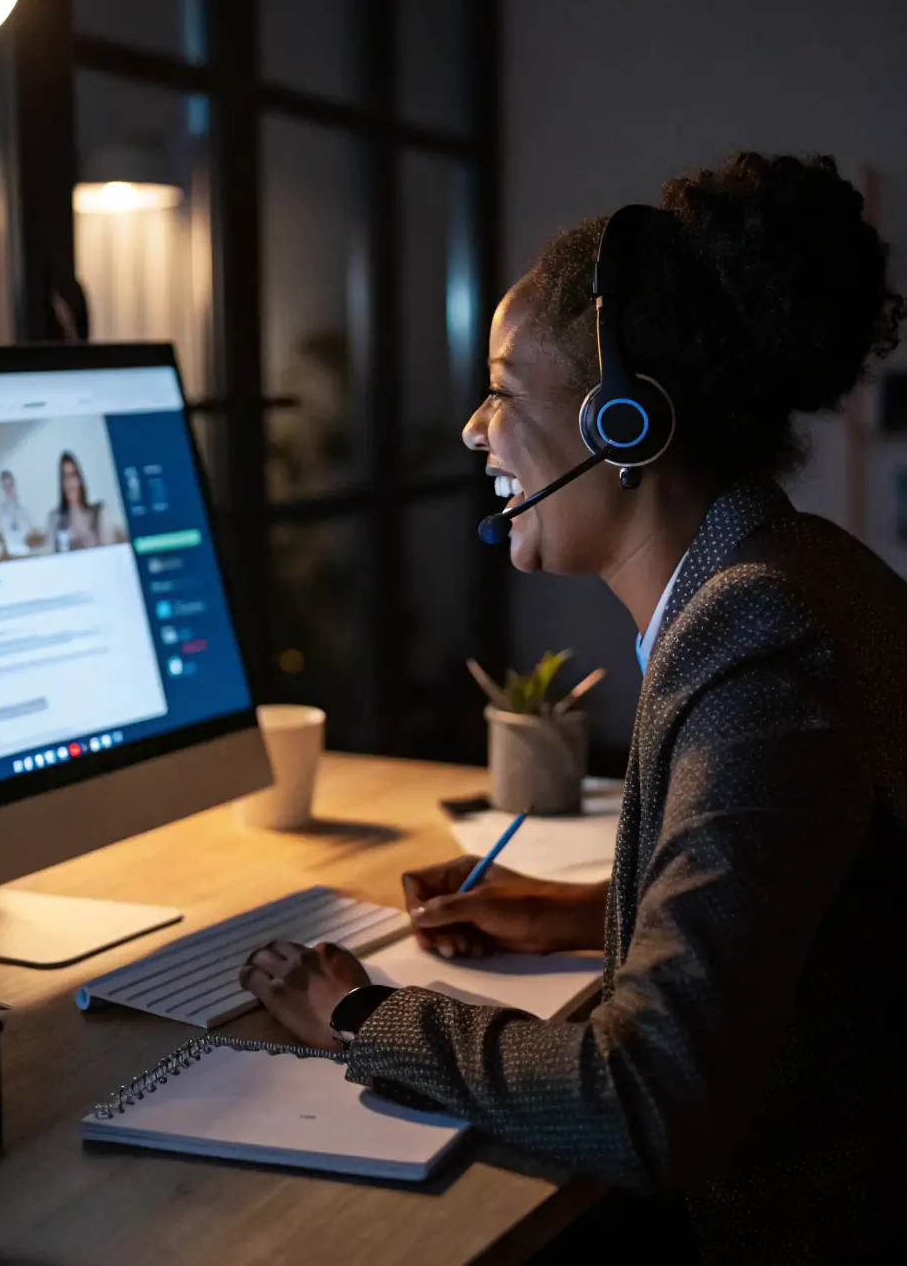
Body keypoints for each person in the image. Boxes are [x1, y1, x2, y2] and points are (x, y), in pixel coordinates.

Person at [239, 152, 907, 1266]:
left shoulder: (759, 647)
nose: (474, 429)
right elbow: (809, 897)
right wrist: (578, 914)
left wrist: (364, 1018)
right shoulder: (799, 572)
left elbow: (648, 1102)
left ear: (628, 421)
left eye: (503, 387)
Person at [46, 452, 108, 552]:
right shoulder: (54, 518)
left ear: (79, 479)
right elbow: (51, 553)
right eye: (65, 476)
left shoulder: (97, 513)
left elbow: (106, 549)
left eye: (73, 475)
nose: (70, 482)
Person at [0, 469, 36, 556]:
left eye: (11, 485)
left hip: (25, 551)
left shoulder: (23, 510)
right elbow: (1, 532)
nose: (10, 490)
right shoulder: (0, 513)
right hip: (8, 554)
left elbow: (28, 531)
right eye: (6, 487)